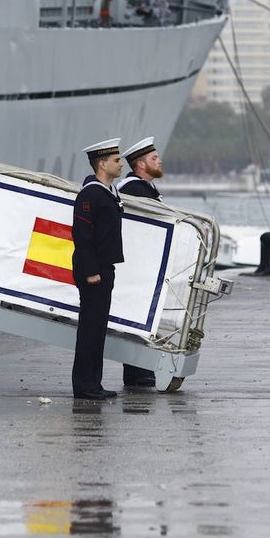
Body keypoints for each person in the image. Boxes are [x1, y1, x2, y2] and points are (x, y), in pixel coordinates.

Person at [71, 138, 125, 400]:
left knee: (98, 328)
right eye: (116, 160)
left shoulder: (108, 192)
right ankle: (84, 385)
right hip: (92, 272)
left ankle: (94, 382)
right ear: (102, 164)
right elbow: (81, 235)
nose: (121, 163)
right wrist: (91, 271)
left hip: (105, 268)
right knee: (90, 328)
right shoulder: (90, 194)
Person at [115, 137, 165, 388]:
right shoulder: (134, 190)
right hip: (135, 267)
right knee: (135, 319)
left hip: (143, 266)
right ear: (141, 164)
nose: (160, 161)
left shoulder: (145, 189)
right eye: (154, 158)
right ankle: (137, 372)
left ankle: (140, 371)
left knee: (141, 319)